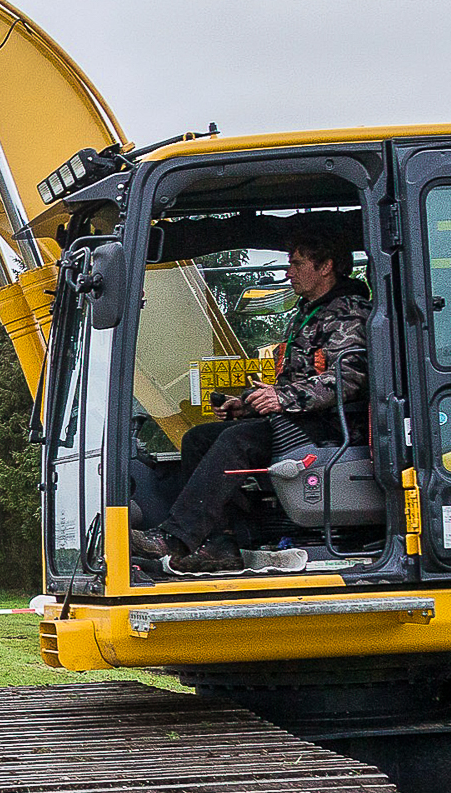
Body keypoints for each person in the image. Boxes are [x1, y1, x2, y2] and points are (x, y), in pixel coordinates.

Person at [132, 228, 370, 574]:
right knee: (198, 438)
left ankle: (175, 539)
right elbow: (297, 379)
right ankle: (220, 544)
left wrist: (281, 397)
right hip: (298, 417)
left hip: (334, 425)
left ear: (326, 266)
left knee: (236, 440)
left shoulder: (350, 313)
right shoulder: (308, 312)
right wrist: (247, 404)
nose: (288, 273)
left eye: (297, 264)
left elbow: (348, 379)